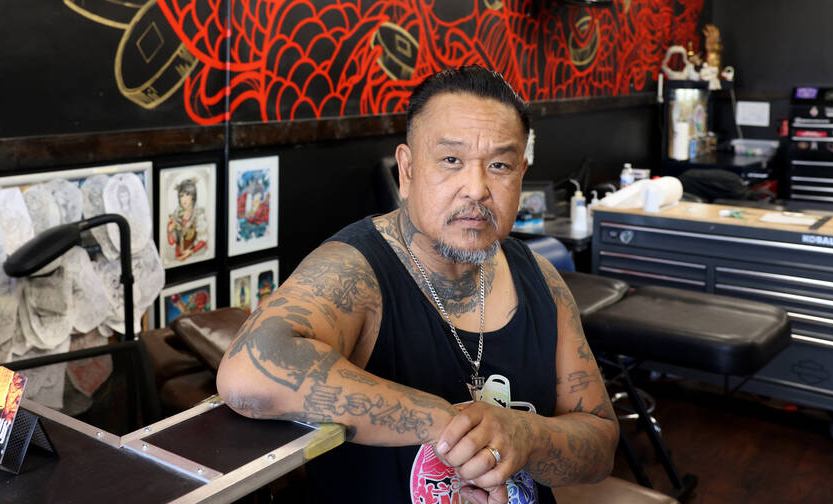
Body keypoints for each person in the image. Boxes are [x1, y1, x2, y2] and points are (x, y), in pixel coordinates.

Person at [217, 66, 617, 504]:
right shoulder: (356, 271)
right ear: (406, 170)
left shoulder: (542, 280)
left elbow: (600, 445)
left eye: (500, 165)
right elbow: (247, 375)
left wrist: (527, 436)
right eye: (451, 161)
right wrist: (453, 428)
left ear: (522, 172)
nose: (477, 188)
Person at [167, 177, 208, 261]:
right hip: (177, 257)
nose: (184, 199)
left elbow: (203, 240)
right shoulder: (175, 215)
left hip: (193, 256)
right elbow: (172, 242)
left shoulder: (198, 214)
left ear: (193, 196)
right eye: (182, 196)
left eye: (187, 194)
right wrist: (170, 231)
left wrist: (191, 251)